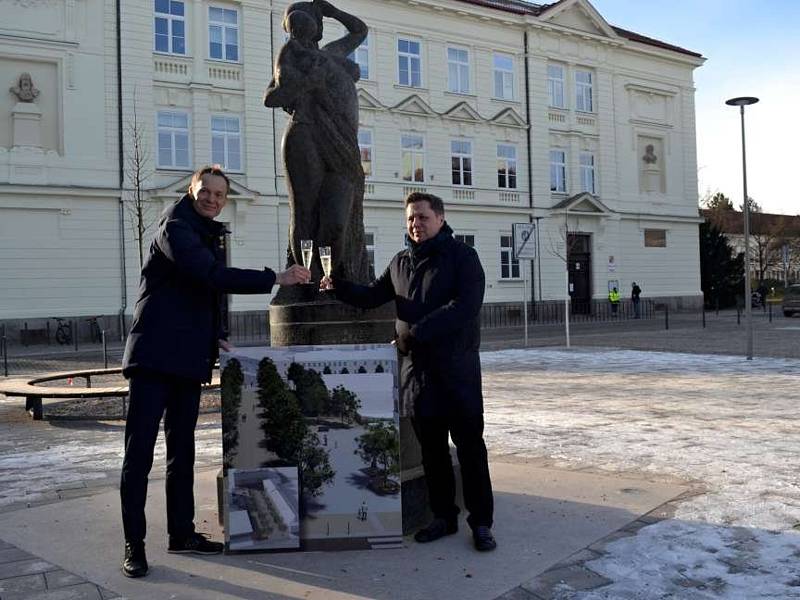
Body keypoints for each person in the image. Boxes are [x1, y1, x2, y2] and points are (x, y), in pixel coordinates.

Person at [119, 165, 310, 578]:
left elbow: (206, 294)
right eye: (206, 192)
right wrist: (275, 277)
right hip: (153, 359)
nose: (212, 199)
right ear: (192, 190)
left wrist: (217, 334)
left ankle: (181, 533)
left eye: (219, 195)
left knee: (181, 453)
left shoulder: (207, 230)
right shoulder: (175, 226)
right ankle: (134, 544)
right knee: (138, 456)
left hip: (188, 359)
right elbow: (209, 275)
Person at [321, 192, 497, 552]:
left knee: (470, 450)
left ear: (440, 218)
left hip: (457, 373)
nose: (415, 224)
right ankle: (443, 517)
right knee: (432, 452)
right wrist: (337, 286)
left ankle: (481, 522)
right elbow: (373, 296)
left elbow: (465, 307)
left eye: (422, 217)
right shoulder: (401, 262)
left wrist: (417, 332)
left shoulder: (464, 257)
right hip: (417, 376)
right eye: (410, 220)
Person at [264, 0, 370, 290]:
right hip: (307, 133)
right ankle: (306, 279)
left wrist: (333, 11)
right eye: (294, 20)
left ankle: (331, 277)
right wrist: (310, 82)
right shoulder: (291, 53)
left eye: (308, 17)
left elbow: (360, 31)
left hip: (341, 142)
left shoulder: (331, 53)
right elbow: (272, 96)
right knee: (305, 212)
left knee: (337, 219)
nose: (302, 23)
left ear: (318, 25)